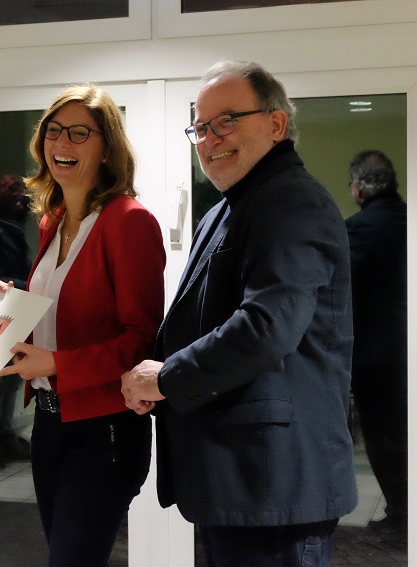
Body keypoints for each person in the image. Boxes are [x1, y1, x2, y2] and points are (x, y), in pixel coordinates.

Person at [121, 60, 357, 567]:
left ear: (276, 124)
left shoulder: (291, 201)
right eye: (200, 128)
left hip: (272, 484)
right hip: (240, 479)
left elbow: (267, 328)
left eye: (226, 121)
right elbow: (205, 320)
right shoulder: (227, 208)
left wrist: (167, 378)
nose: (209, 139)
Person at [0, 84, 166, 566]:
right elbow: (61, 318)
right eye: (53, 131)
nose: (62, 144)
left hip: (104, 429)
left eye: (79, 134)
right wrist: (9, 317)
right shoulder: (53, 222)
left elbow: (140, 341)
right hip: (49, 423)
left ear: (107, 147)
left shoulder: (129, 221)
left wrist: (55, 363)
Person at [346, 150, 408, 531]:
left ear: (357, 187)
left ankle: (401, 514)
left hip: (377, 357)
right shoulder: (415, 221)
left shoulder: (360, 228)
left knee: (384, 438)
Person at [0, 174, 33, 467]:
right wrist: (33, 287)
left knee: (9, 380)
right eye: (15, 198)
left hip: (14, 307)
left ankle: (1, 435)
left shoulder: (9, 230)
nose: (21, 204)